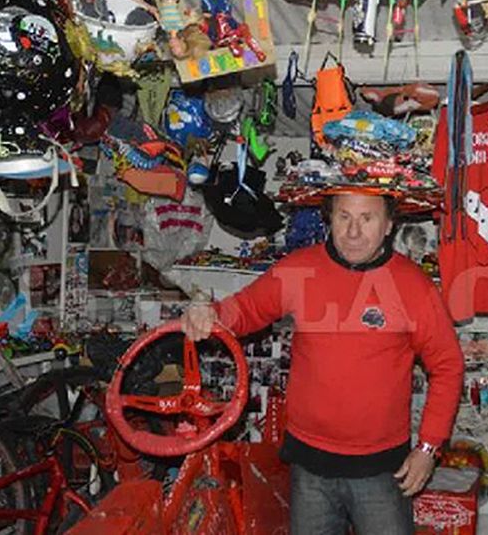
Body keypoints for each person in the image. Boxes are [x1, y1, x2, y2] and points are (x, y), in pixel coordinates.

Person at [182, 191, 464, 534]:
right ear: (329, 219)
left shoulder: (413, 286)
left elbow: (447, 366)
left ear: (389, 224)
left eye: (367, 218)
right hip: (309, 467)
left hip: (382, 470)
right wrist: (208, 312)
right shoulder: (299, 269)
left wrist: (428, 448)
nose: (354, 231)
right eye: (344, 217)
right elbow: (244, 310)